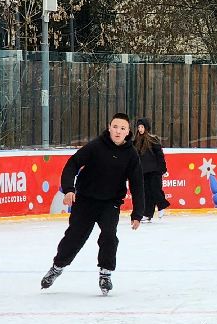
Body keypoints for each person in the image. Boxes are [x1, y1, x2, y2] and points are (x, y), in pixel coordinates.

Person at [41, 112, 145, 294]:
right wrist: (69, 189)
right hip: (86, 201)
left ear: (128, 132)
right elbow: (72, 164)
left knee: (109, 236)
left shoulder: (131, 154)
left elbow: (137, 184)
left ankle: (105, 274)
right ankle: (57, 267)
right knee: (75, 237)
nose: (118, 131)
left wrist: (138, 213)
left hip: (110, 203)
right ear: (109, 127)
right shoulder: (96, 147)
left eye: (122, 128)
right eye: (115, 127)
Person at [134, 117, 170, 222]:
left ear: (146, 127)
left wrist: (162, 168)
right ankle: (147, 214)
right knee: (146, 193)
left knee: (156, 189)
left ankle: (161, 206)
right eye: (139, 127)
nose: (140, 129)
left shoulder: (152, 139)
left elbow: (160, 155)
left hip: (154, 171)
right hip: (143, 171)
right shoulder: (136, 141)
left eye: (142, 127)